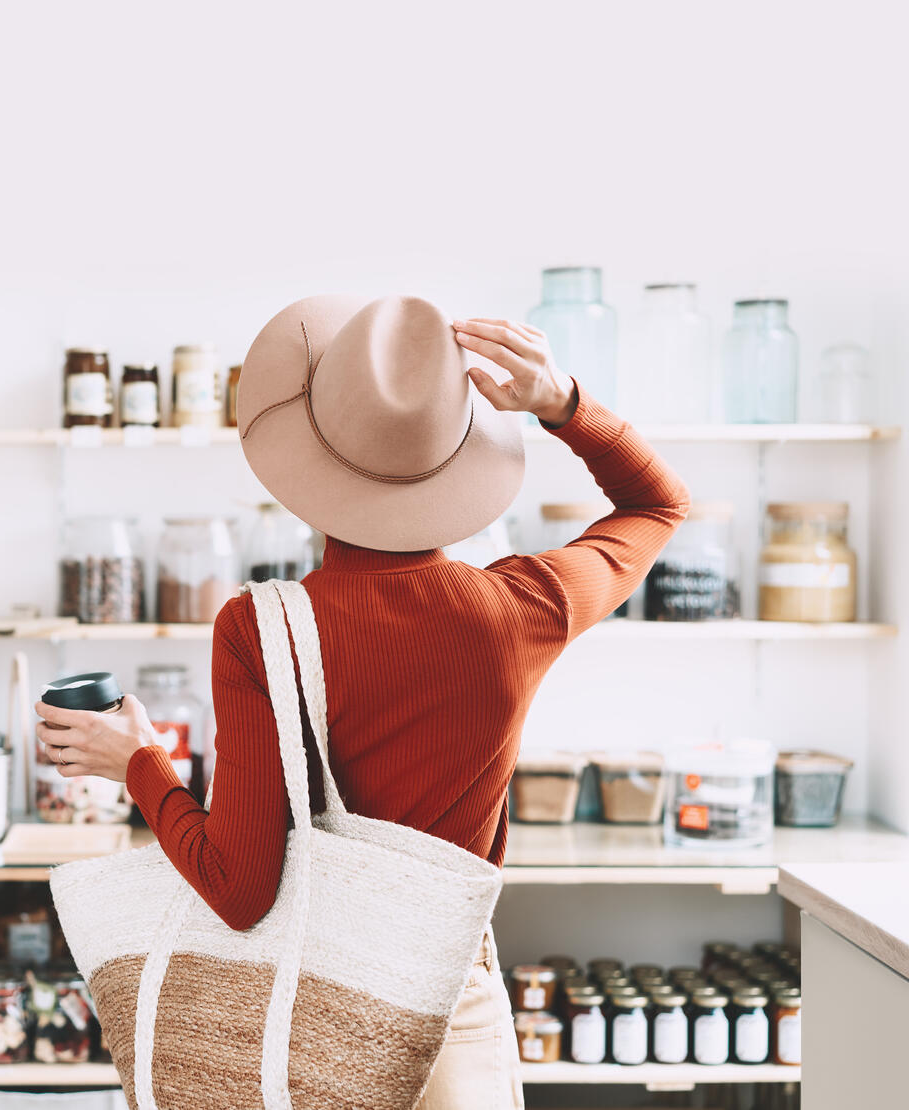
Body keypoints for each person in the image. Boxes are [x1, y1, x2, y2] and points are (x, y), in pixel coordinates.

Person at [36, 295, 689, 1108]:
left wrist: (138, 765)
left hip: (300, 1022)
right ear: (457, 457)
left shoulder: (260, 629)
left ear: (309, 460)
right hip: (451, 1009)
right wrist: (563, 403)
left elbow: (239, 892)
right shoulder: (523, 609)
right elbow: (659, 506)